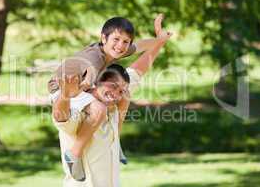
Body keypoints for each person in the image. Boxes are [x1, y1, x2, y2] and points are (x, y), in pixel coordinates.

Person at [50, 14, 172, 182]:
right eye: (116, 39)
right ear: (103, 38)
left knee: (125, 97)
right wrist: (73, 91)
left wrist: (160, 40)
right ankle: (74, 153)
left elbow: (141, 48)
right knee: (98, 109)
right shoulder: (94, 58)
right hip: (66, 88)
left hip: (85, 86)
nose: (121, 45)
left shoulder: (117, 51)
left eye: (125, 42)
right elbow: (88, 78)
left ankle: (116, 141)